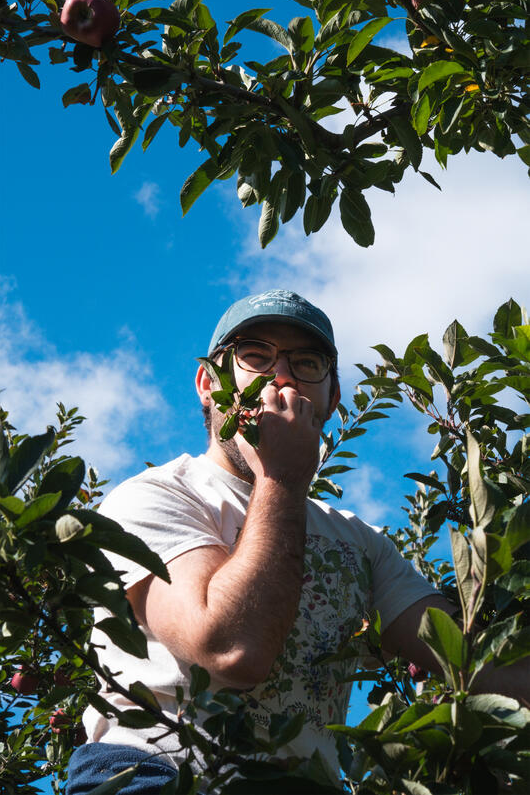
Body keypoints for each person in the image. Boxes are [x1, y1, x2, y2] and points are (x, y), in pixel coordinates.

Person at [66, 289, 527, 795]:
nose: (280, 376)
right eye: (255, 355)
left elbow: (470, 663)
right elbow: (230, 648)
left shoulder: (362, 543)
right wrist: (282, 476)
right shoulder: (155, 498)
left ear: (332, 398)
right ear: (207, 383)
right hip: (156, 773)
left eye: (305, 362)